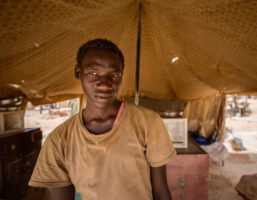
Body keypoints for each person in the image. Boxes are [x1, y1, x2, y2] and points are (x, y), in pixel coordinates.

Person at [28, 39, 176, 200]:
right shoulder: (59, 141)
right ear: (78, 72)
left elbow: (161, 192)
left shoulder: (148, 123)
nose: (105, 85)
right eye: (93, 73)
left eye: (114, 75)